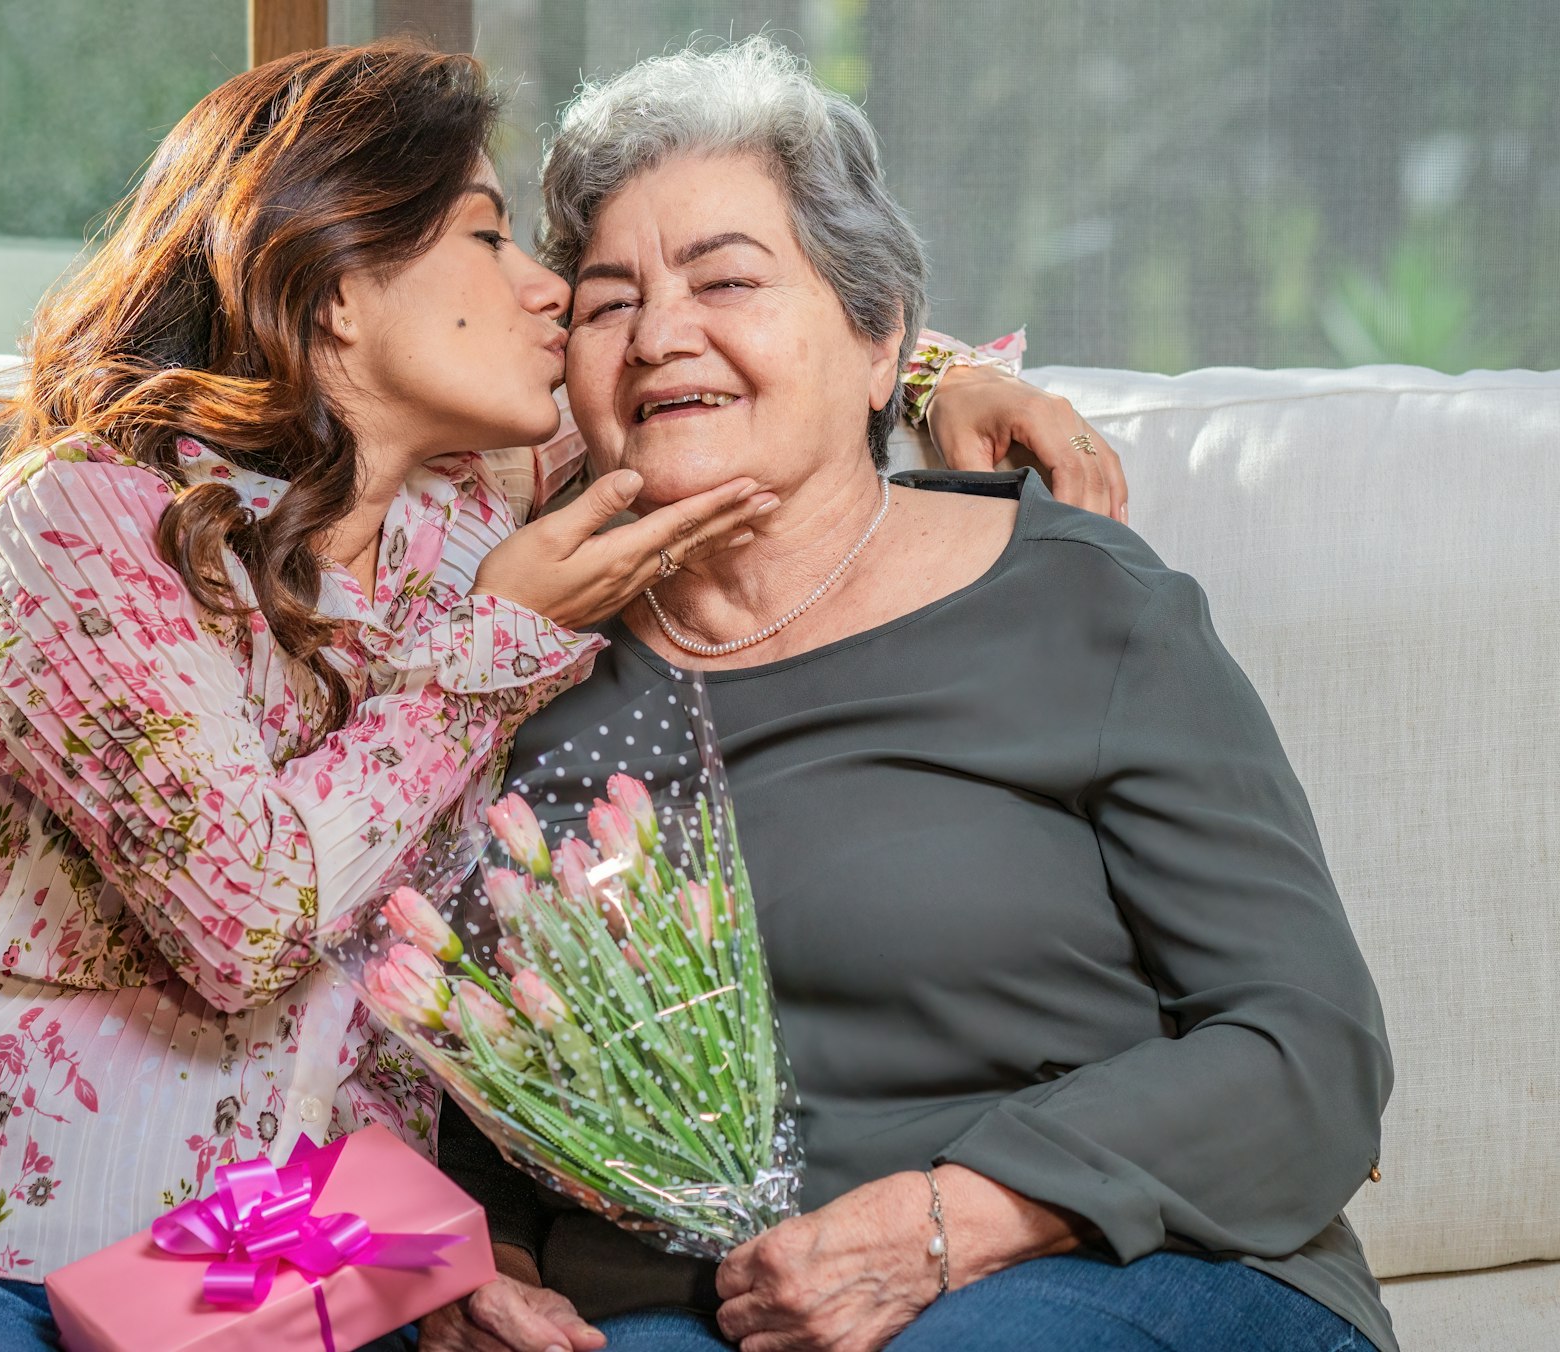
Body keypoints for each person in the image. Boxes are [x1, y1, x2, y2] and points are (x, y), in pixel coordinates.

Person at [0, 39, 1117, 1352]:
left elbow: (738, 372)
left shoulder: (468, 522)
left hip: (290, 1276)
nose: (553, 293)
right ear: (338, 282)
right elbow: (244, 919)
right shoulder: (82, 528)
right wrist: (497, 641)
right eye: (489, 235)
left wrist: (939, 372)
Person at [425, 37, 1395, 1352]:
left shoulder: (1074, 602)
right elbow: (484, 1077)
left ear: (882, 343)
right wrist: (480, 1268)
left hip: (1102, 1264)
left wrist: (955, 1218)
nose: (659, 336)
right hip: (665, 1309)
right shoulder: (517, 656)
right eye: (606, 304)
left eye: (727, 280)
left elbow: (1310, 1052)